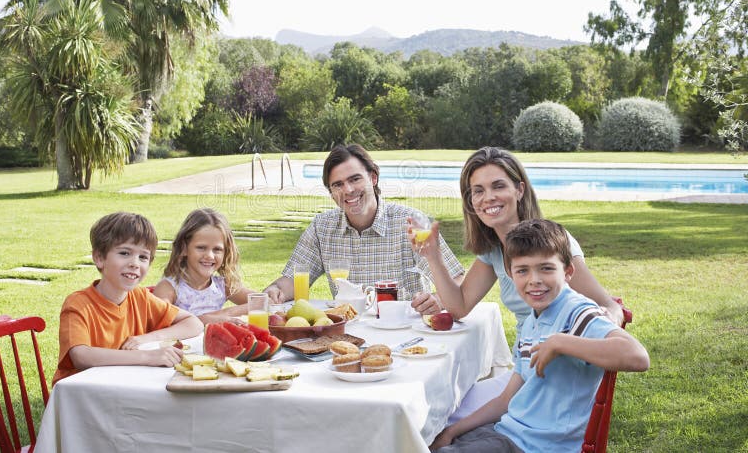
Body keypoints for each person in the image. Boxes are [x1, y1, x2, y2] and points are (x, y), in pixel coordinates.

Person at [414, 146, 625, 418]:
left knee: (441, 412)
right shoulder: (493, 250)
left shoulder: (550, 244)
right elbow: (460, 306)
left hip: (549, 377)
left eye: (498, 186)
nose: (488, 197)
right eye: (477, 190)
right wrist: (432, 257)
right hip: (523, 370)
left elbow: (606, 305)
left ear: (519, 190)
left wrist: (609, 320)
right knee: (440, 406)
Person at [430, 219, 649, 452]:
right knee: (429, 439)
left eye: (546, 268)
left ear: (568, 272)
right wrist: (452, 431)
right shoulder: (533, 321)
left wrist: (560, 342)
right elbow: (506, 401)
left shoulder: (577, 312)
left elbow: (638, 357)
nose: (534, 280)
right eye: (522, 270)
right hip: (507, 432)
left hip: (538, 446)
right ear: (511, 275)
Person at [263, 144, 464, 315]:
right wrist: (275, 290)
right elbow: (291, 281)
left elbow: (458, 280)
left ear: (373, 178)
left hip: (405, 336)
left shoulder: (410, 222)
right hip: (347, 337)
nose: (348, 190)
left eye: (355, 179)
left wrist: (439, 299)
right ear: (331, 192)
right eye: (338, 185)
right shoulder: (321, 228)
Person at [53, 212, 203, 385]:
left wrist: (146, 339)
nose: (135, 263)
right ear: (99, 258)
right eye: (124, 253)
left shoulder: (141, 297)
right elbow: (81, 355)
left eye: (143, 257)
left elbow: (194, 324)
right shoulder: (78, 304)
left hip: (123, 388)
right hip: (83, 396)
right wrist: (147, 356)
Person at [153, 208, 256, 323]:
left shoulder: (222, 286)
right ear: (184, 248)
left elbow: (263, 301)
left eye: (217, 249)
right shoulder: (169, 288)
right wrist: (211, 318)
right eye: (201, 248)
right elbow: (160, 320)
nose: (209, 256)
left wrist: (225, 314)